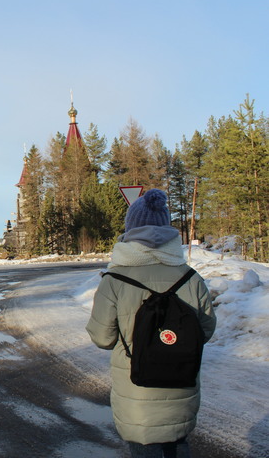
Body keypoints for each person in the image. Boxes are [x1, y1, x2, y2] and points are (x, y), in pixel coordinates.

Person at [86, 189, 217, 458]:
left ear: (130, 228)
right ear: (166, 227)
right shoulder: (190, 277)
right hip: (181, 382)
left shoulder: (115, 279)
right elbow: (205, 330)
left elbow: (102, 338)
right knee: (178, 447)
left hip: (137, 391)